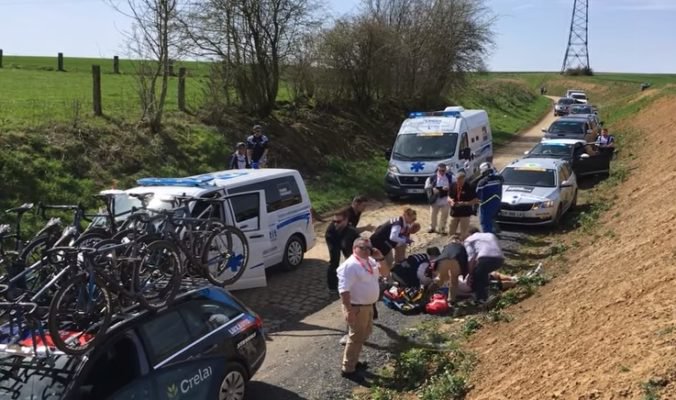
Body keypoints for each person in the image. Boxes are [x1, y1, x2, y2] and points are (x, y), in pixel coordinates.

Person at [337, 237, 390, 383]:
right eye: (364, 247)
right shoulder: (350, 266)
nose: (368, 250)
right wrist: (348, 310)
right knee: (355, 337)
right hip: (356, 307)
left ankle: (353, 361)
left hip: (368, 306)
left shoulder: (371, 261)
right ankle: (348, 369)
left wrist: (381, 258)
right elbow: (344, 290)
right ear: (355, 248)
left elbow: (385, 273)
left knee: (364, 333)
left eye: (369, 247)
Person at [464, 227, 505, 303]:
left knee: (476, 275)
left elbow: (471, 258)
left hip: (486, 258)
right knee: (483, 272)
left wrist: (470, 274)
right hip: (500, 259)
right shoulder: (490, 235)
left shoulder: (469, 240)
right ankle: (489, 292)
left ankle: (481, 299)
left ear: (469, 234)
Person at [325, 208, 351, 292]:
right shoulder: (331, 230)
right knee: (334, 260)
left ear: (346, 220)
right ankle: (332, 286)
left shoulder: (349, 226)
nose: (335, 224)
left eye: (338, 222)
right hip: (332, 238)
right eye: (334, 221)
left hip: (342, 236)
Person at [447, 170, 478, 239]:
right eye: (457, 180)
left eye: (460, 180)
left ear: (464, 179)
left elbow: (475, 200)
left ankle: (463, 247)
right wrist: (450, 201)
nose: (458, 182)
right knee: (451, 232)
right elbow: (449, 196)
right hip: (454, 212)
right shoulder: (452, 185)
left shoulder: (470, 186)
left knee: (464, 234)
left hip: (465, 213)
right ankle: (449, 246)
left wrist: (464, 203)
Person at [424, 163, 453, 234]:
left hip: (445, 198)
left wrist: (449, 188)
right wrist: (432, 189)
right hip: (435, 198)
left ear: (445, 170)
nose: (442, 172)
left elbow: (455, 186)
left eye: (443, 170)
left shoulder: (450, 177)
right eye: (440, 170)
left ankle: (441, 228)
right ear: (438, 169)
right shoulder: (431, 178)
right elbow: (426, 188)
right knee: (433, 214)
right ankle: (432, 227)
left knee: (445, 214)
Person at [475, 162, 504, 234]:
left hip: (486, 205)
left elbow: (477, 195)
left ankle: (488, 237)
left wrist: (475, 206)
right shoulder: (499, 179)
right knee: (491, 218)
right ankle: (495, 231)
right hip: (497, 202)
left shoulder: (482, 182)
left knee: (485, 222)